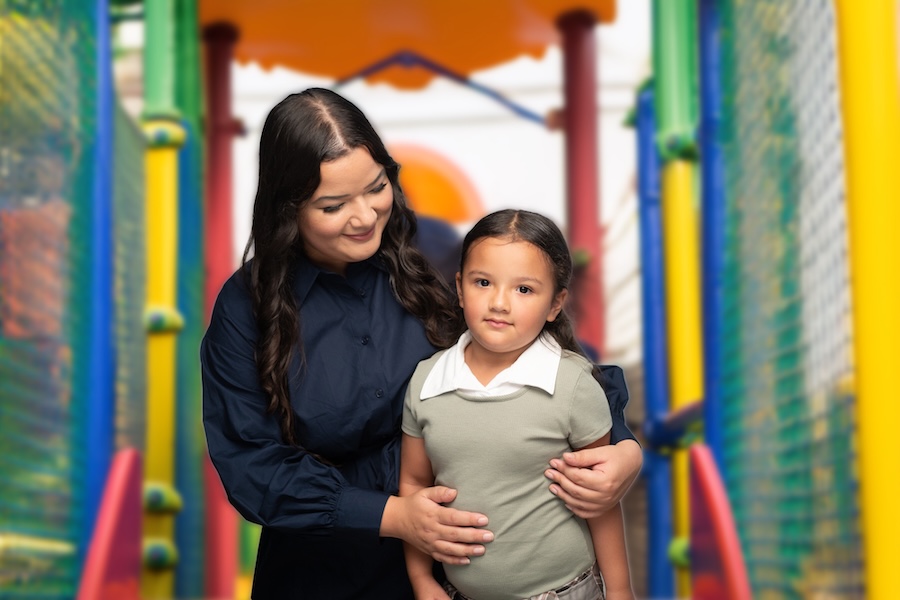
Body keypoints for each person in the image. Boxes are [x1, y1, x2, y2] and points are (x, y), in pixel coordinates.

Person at [200, 88, 641, 599]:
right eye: (333, 205)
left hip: (464, 572)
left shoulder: (437, 255)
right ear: (287, 209)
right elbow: (251, 464)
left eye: (376, 187)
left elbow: (546, 356)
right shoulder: (246, 307)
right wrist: (393, 515)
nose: (365, 217)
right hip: (322, 574)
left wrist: (624, 449)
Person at [400, 209, 634, 600]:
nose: (499, 303)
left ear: (555, 304)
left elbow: (599, 498)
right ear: (460, 288)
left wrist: (621, 590)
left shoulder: (573, 384)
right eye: (483, 282)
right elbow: (413, 484)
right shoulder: (427, 381)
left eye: (523, 289)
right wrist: (422, 579)